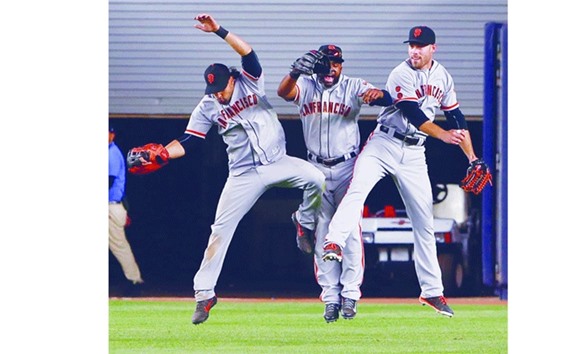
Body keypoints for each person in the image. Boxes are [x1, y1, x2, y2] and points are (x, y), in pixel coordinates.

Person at [127, 13, 325, 325]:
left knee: (318, 178)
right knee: (219, 232)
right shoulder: (208, 105)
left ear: (231, 79)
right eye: (213, 89)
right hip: (243, 175)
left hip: (277, 163)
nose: (218, 93)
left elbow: (249, 53)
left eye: (221, 86)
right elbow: (190, 140)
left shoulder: (249, 81)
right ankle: (204, 294)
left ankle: (304, 219)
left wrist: (218, 30)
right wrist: (165, 152)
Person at [321, 25, 488, 318]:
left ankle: (432, 292)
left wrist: (472, 158)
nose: (414, 50)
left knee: (424, 219)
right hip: (384, 142)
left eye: (420, 46)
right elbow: (415, 115)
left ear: (433, 48)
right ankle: (333, 240)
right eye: (411, 44)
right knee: (357, 190)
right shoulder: (400, 73)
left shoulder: (443, 77)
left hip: (414, 153)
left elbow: (457, 118)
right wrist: (444, 136)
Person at [277, 44, 392, 323]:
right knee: (323, 230)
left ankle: (350, 294)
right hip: (315, 165)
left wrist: (377, 95)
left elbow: (383, 97)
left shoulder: (353, 85)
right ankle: (330, 297)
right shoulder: (304, 84)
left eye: (336, 63)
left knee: (349, 230)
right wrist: (294, 72)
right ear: (316, 65)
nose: (331, 68)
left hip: (348, 166)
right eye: (326, 63)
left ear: (342, 65)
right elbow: (283, 93)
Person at [109, 125, 144, 286]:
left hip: (111, 206)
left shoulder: (112, 153)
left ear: (112, 135)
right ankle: (134, 279)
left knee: (119, 245)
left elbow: (109, 181)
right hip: (112, 205)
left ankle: (134, 280)